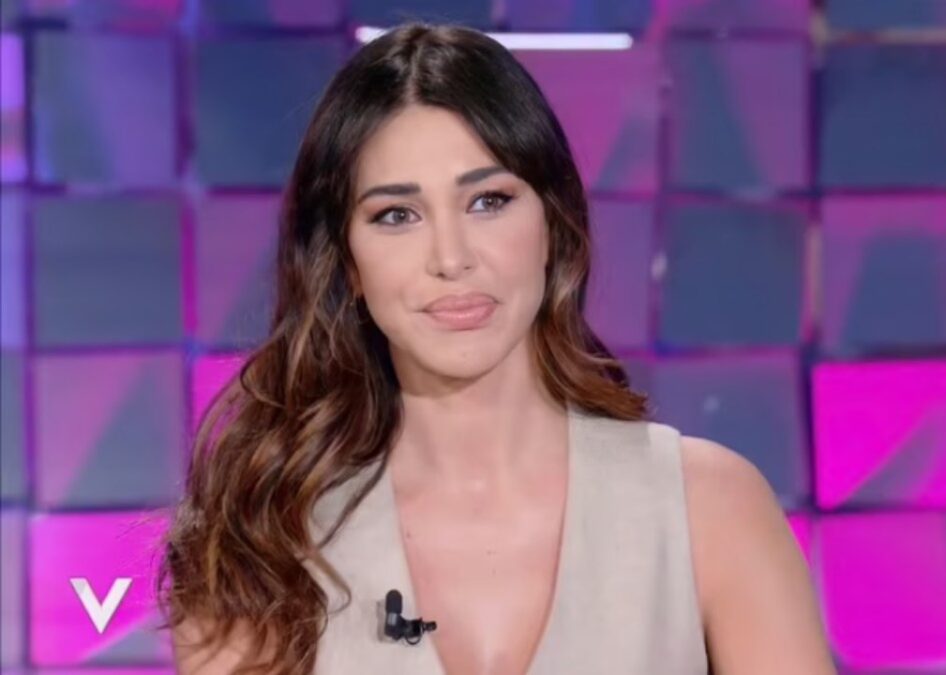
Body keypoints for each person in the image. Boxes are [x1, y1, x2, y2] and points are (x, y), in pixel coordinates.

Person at [157, 21, 835, 675]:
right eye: (397, 215)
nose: (451, 258)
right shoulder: (262, 544)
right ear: (348, 262)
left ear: (553, 224)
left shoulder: (706, 508)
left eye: (488, 201)